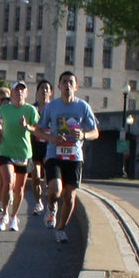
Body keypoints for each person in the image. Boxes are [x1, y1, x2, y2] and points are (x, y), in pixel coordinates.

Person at [34, 71, 99, 244]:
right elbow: (38, 129)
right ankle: (51, 206)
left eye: (71, 82)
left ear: (76, 87)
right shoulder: (51, 107)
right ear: (59, 86)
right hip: (54, 153)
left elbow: (95, 132)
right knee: (55, 190)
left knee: (70, 197)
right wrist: (51, 138)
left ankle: (61, 229)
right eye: (64, 82)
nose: (68, 85)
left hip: (74, 155)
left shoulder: (83, 107)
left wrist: (83, 135)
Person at [0, 80, 37, 231]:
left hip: (24, 153)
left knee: (19, 188)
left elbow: (38, 129)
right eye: (16, 90)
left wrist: (27, 126)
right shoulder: (4, 109)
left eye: (22, 90)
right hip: (6, 151)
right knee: (8, 182)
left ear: (26, 93)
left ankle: (14, 217)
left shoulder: (30, 110)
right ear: (11, 94)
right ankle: (4, 213)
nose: (19, 93)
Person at [26, 78, 54, 218]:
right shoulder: (32, 109)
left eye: (47, 89)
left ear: (51, 92)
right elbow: (27, 127)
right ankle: (38, 202)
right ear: (37, 92)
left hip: (50, 146)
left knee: (49, 178)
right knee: (36, 176)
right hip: (35, 145)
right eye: (41, 88)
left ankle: (51, 204)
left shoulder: (55, 108)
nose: (44, 91)